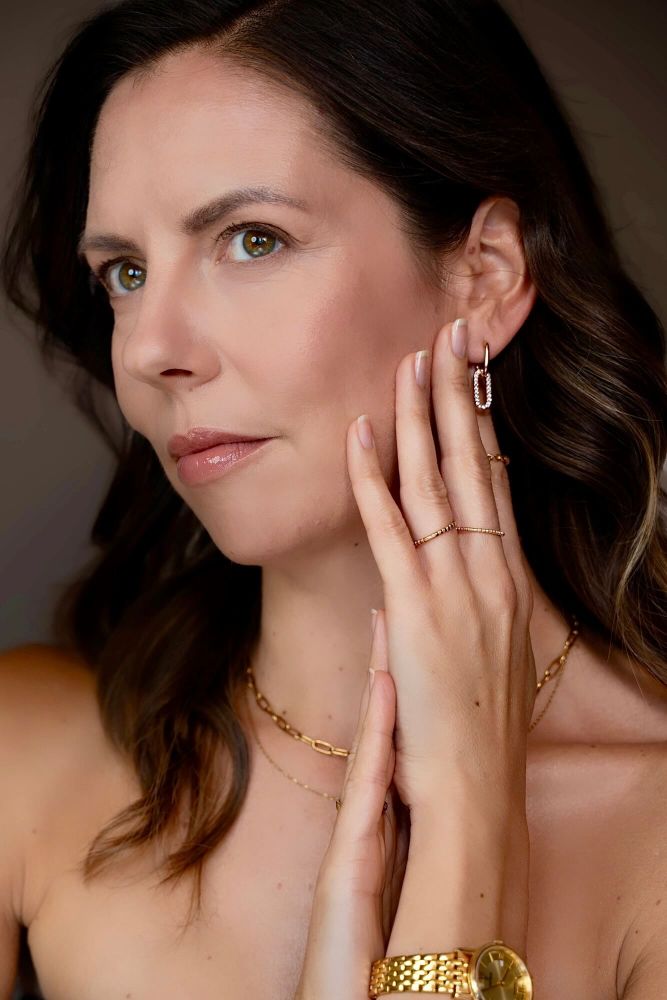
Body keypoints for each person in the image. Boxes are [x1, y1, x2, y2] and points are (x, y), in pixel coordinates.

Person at [1, 0, 666, 997]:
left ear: (485, 274)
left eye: (251, 240)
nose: (148, 350)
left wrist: (467, 821)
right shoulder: (25, 757)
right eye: (124, 273)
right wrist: (463, 843)